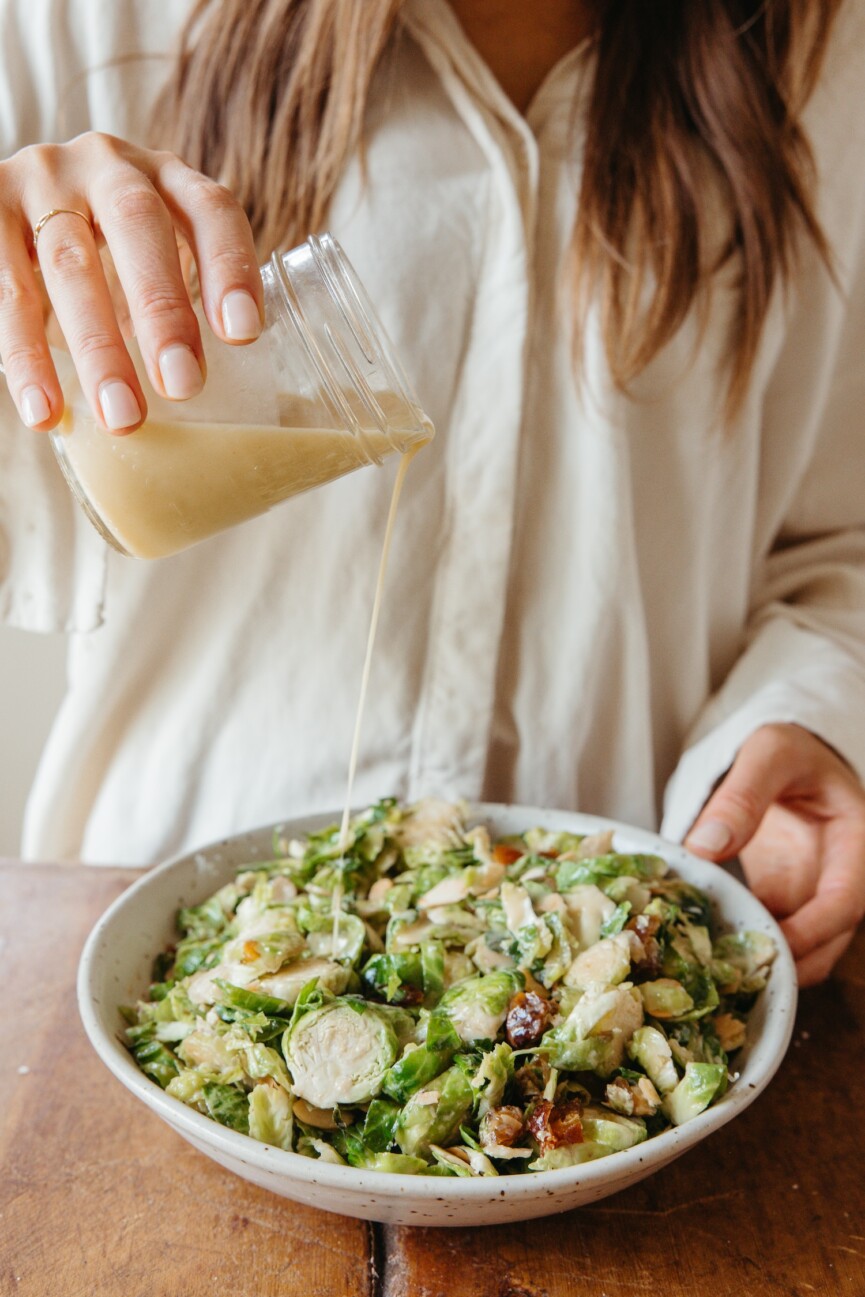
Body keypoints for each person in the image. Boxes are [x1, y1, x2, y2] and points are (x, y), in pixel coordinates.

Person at [0, 0, 863, 988]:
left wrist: (807, 712)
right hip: (163, 946)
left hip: (616, 963)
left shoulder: (828, 62)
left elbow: (839, 539)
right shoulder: (71, 22)